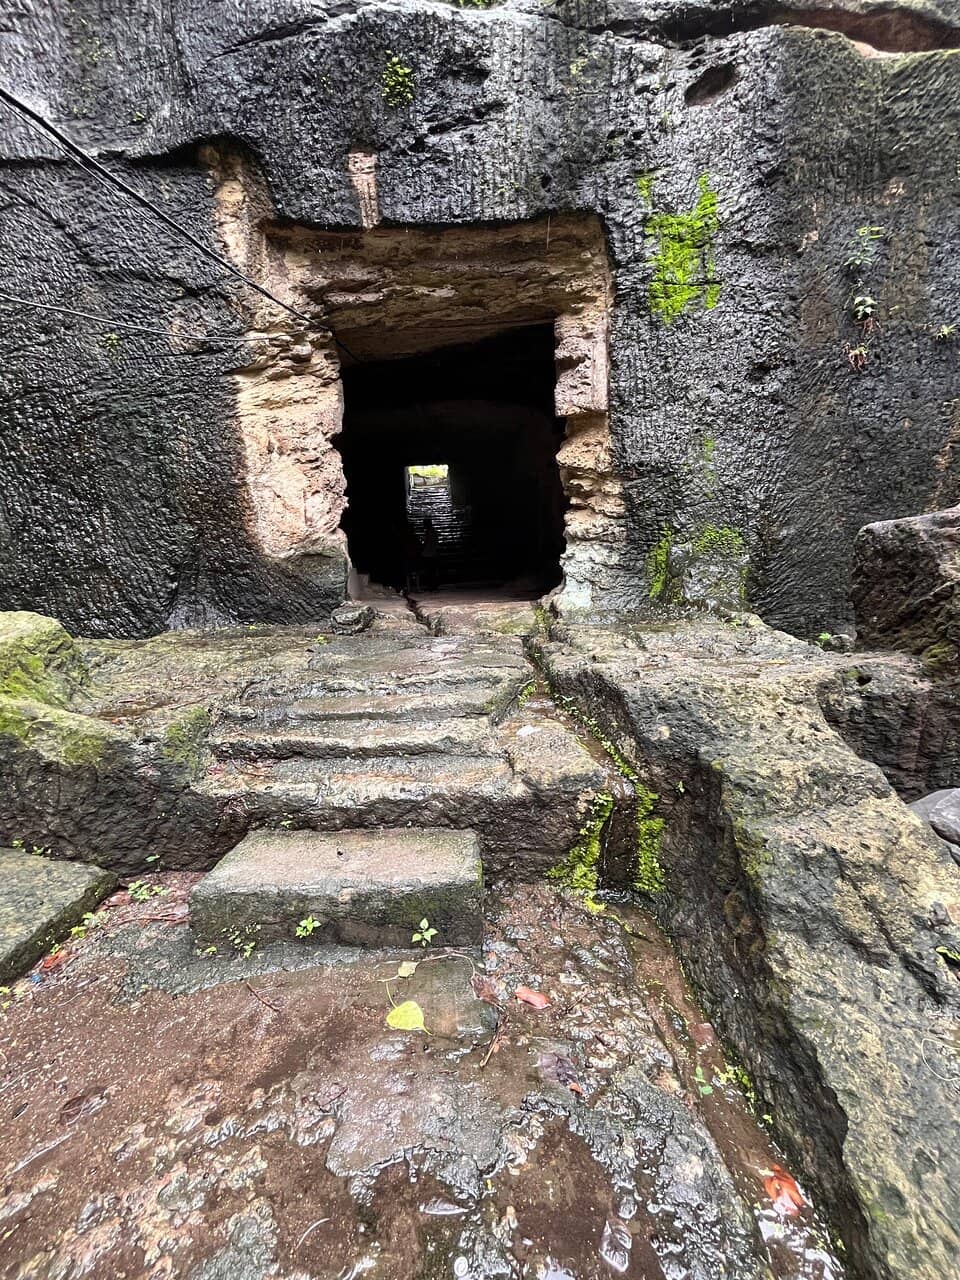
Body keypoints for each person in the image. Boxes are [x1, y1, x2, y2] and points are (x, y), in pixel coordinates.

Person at [420, 518, 440, 591]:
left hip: (428, 554)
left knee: (429, 571)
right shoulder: (433, 532)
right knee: (432, 571)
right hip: (432, 553)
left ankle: (431, 586)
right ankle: (433, 586)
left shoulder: (429, 532)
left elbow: (426, 543)